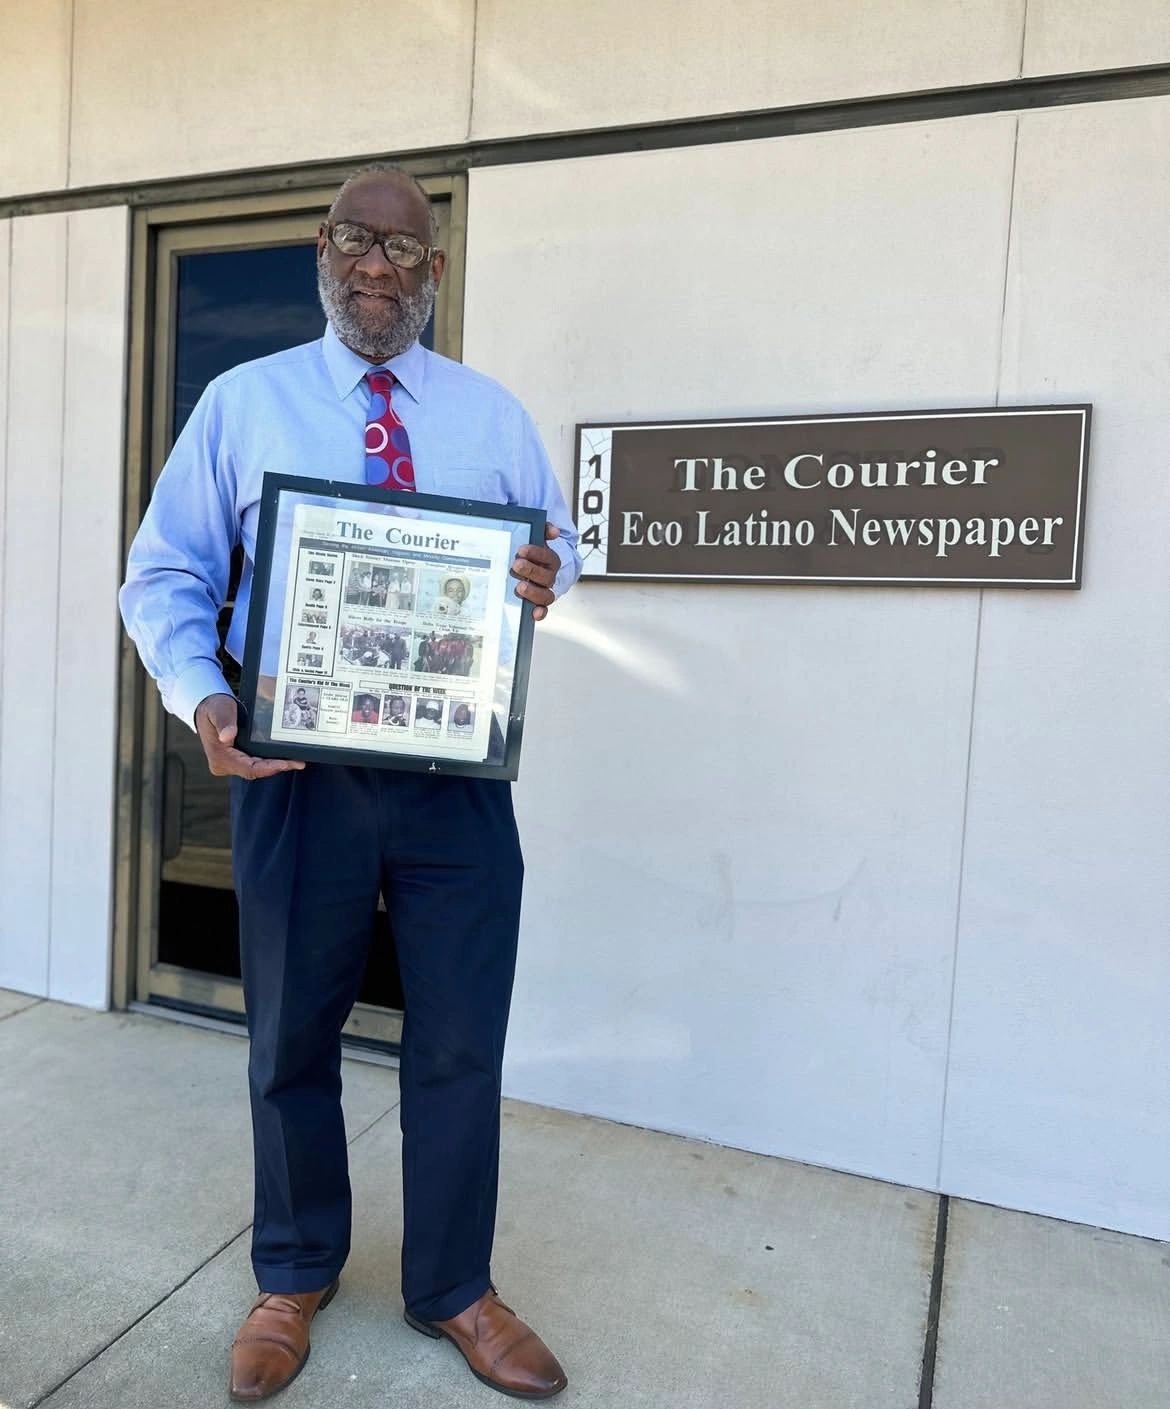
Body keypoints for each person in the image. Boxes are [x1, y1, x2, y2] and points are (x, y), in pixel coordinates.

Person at [119, 163, 579, 1404]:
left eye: (405, 250)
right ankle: (292, 1268)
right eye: (355, 240)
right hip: (296, 770)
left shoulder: (488, 414)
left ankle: (454, 1286)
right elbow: (161, 573)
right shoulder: (242, 402)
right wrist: (204, 696)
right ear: (321, 251)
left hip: (454, 786)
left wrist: (547, 572)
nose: (378, 266)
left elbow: (554, 544)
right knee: (291, 1036)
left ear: (435, 271)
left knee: (460, 1040)